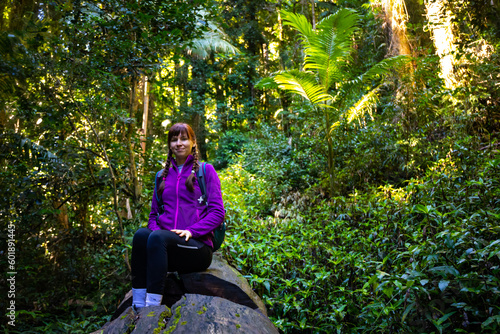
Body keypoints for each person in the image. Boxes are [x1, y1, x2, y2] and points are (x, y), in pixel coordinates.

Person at [130, 123, 225, 309]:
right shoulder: (161, 176)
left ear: (193, 142)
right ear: (169, 145)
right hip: (166, 247)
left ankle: (152, 307)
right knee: (141, 235)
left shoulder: (205, 171)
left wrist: (192, 231)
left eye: (184, 139)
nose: (179, 143)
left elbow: (217, 212)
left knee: (157, 237)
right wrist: (157, 237)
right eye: (174, 140)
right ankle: (138, 303)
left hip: (197, 247)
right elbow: (153, 216)